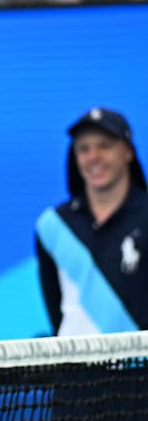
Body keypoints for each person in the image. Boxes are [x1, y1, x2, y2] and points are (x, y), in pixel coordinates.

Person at [36, 108, 148, 336]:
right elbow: (55, 309)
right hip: (75, 366)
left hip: (141, 366)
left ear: (128, 152)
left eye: (104, 146)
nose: (93, 156)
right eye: (83, 149)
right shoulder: (52, 224)